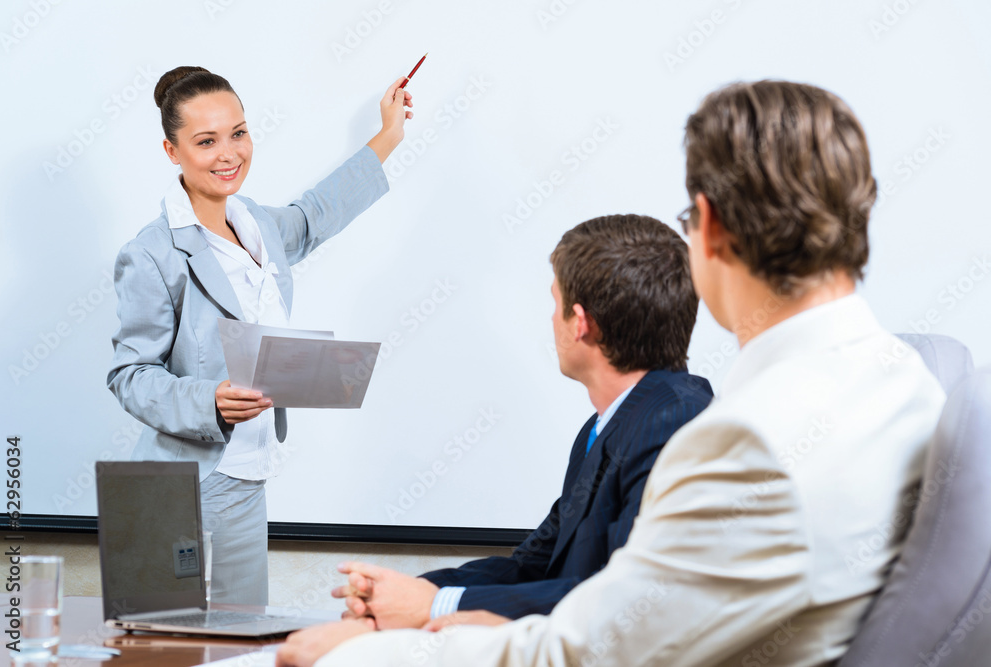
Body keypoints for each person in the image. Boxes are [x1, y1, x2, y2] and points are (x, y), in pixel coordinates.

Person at [274, 80, 947, 666]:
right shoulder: (909, 380)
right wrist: (441, 605)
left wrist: (378, 650)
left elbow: (586, 652)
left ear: (706, 226)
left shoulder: (745, 440)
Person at [107, 66, 412, 605]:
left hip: (246, 477)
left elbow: (317, 213)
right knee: (157, 642)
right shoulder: (151, 253)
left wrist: (388, 133)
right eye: (206, 141)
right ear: (171, 151)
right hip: (176, 484)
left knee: (240, 642)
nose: (229, 154)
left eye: (239, 133)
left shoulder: (257, 224)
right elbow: (129, 375)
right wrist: (211, 401)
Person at [330, 214, 714, 629]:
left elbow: (619, 596)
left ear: (580, 323)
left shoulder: (675, 425)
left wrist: (436, 605)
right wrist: (407, 593)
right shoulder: (608, 425)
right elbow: (536, 564)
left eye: (555, 302)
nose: (551, 319)